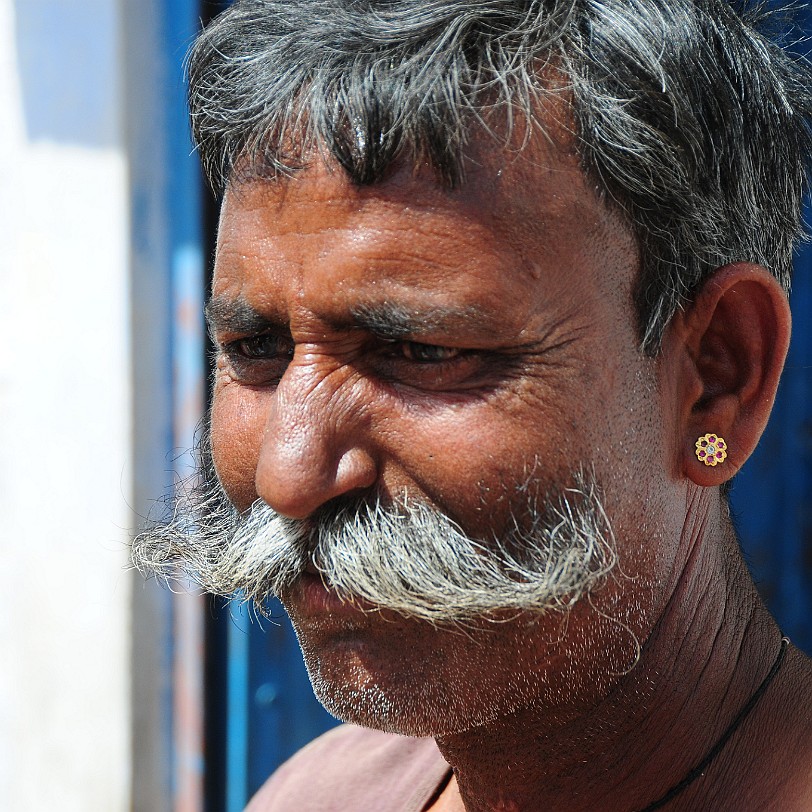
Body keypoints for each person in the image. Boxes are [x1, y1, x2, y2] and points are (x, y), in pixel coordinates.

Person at [133, 0, 812, 809]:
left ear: (715, 380)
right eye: (255, 349)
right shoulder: (318, 795)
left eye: (422, 352)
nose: (290, 475)